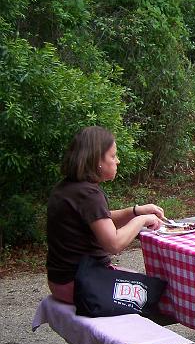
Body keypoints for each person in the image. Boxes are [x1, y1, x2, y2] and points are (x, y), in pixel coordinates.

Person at [46, 126, 165, 304]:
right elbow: (114, 243)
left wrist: (135, 211)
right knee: (157, 292)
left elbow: (99, 218)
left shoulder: (67, 187)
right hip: (82, 284)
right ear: (96, 161)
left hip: (61, 281)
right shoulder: (90, 195)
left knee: (142, 281)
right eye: (113, 156)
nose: (117, 161)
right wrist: (141, 220)